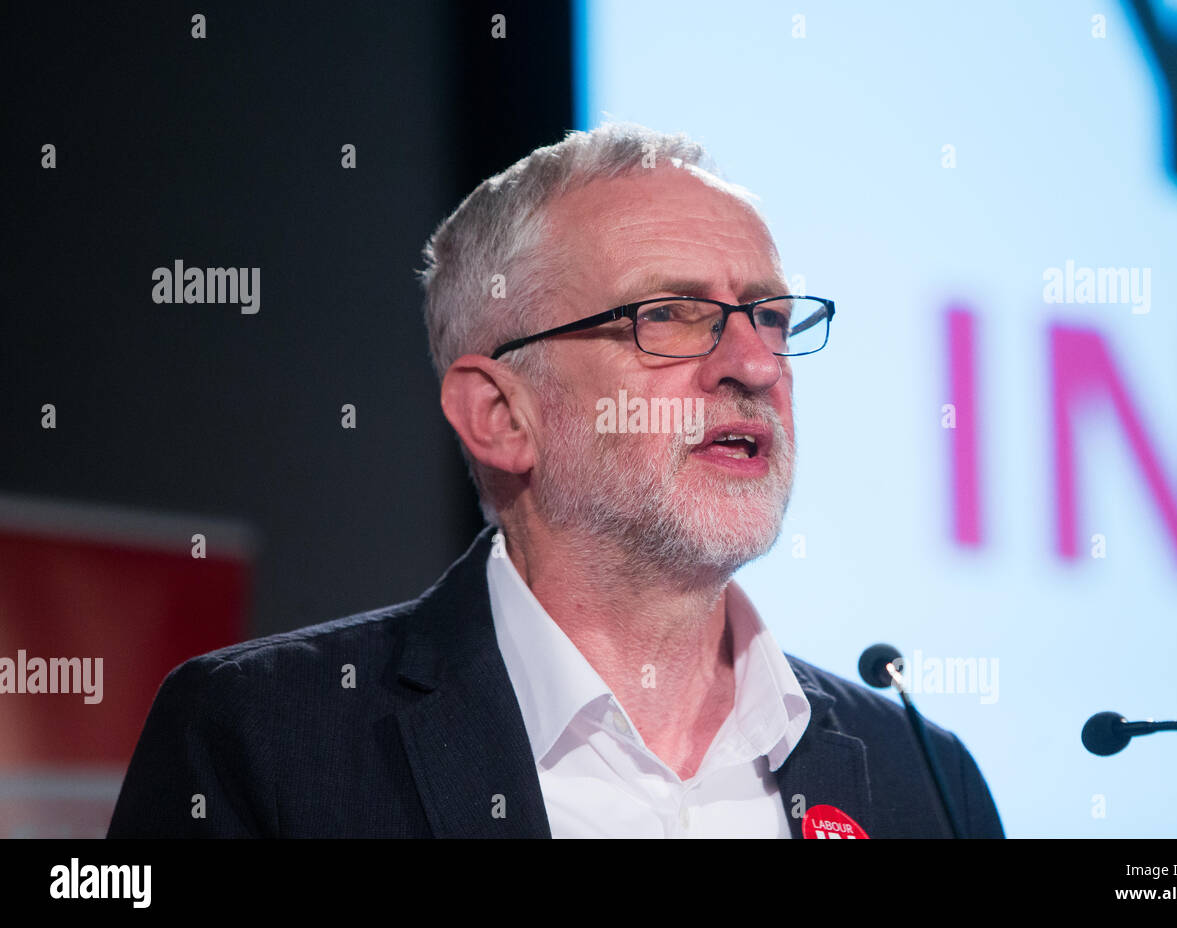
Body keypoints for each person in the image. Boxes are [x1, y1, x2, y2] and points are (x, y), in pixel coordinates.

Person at [107, 123, 1004, 838]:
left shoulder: (921, 779)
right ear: (500, 415)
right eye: (670, 316)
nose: (755, 365)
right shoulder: (266, 742)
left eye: (769, 316)